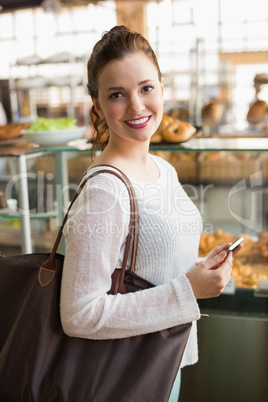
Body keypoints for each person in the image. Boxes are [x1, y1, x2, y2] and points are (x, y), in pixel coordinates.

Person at [60, 25, 241, 401]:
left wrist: (198, 267)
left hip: (163, 363)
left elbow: (152, 262)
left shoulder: (163, 168)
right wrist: (188, 289)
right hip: (124, 375)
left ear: (162, 87)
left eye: (145, 88)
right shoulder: (105, 191)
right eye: (116, 95)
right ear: (97, 105)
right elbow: (78, 314)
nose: (137, 106)